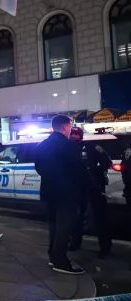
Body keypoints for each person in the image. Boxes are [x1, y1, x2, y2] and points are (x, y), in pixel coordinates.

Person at [34, 115, 89, 275]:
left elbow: (39, 169)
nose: (70, 130)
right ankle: (60, 261)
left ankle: (53, 256)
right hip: (67, 193)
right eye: (70, 127)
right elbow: (78, 171)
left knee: (53, 226)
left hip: (49, 192)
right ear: (65, 127)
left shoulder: (41, 145)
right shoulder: (68, 145)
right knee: (65, 227)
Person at [69, 126, 112, 258]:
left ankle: (105, 248)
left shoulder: (92, 148)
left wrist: (95, 174)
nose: (73, 136)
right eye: (72, 134)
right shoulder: (68, 149)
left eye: (76, 134)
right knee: (76, 217)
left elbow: (107, 162)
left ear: (81, 136)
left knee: (100, 218)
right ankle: (75, 243)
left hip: (94, 187)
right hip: (77, 188)